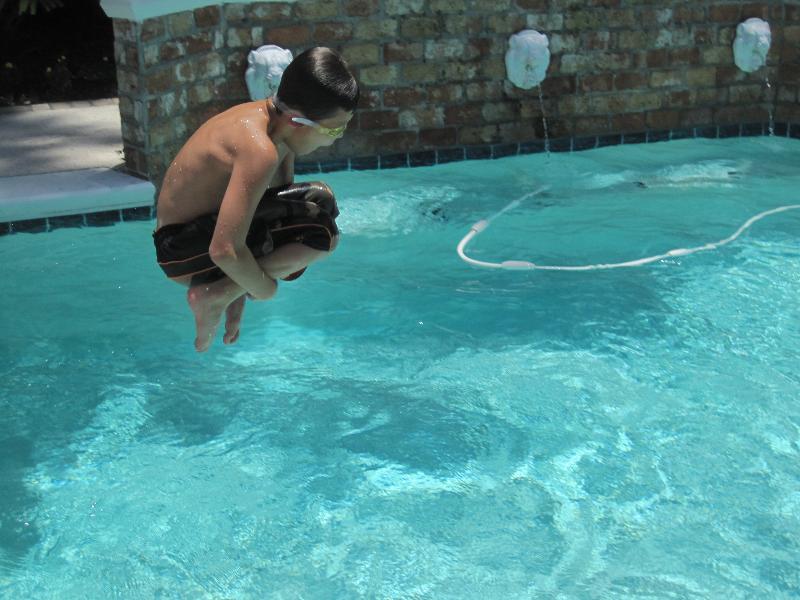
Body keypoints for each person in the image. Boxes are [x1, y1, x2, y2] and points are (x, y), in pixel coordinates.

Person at [153, 47, 359, 351]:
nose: (338, 138)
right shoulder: (259, 149)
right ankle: (211, 295)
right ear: (298, 121)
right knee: (323, 234)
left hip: (198, 233)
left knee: (321, 201)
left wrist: (236, 300)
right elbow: (224, 249)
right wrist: (265, 290)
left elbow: (266, 222)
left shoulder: (274, 126)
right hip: (180, 251)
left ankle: (221, 292)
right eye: (334, 129)